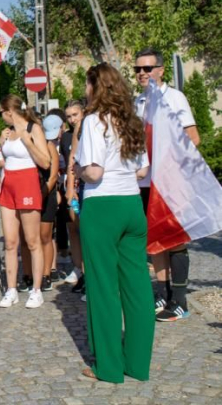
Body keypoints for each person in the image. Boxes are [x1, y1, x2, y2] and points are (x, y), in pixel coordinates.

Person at [75, 62, 153, 383]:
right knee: (137, 287)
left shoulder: (94, 121)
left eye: (87, 85)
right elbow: (142, 171)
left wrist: (77, 170)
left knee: (103, 287)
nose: (84, 91)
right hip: (132, 204)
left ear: (95, 87)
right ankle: (137, 364)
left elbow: (93, 172)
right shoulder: (132, 120)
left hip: (102, 206)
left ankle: (108, 367)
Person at [134, 48, 199, 321]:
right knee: (155, 240)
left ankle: (180, 301)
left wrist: (168, 162)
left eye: (147, 69)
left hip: (170, 182)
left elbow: (193, 138)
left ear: (160, 70)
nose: (141, 74)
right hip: (146, 182)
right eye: (137, 70)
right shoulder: (137, 102)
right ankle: (162, 293)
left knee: (175, 240)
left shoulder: (175, 98)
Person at [0, 94, 51, 309]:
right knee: (10, 242)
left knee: (32, 240)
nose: (1, 117)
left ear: (9, 112)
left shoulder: (33, 129)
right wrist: (2, 143)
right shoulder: (7, 132)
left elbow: (45, 162)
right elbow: (3, 159)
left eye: (1, 113)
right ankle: (11, 288)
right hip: (8, 184)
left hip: (27, 183)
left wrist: (27, 142)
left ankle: (36, 290)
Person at [20, 114, 61, 292]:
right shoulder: (23, 147)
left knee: (45, 236)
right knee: (27, 237)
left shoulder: (50, 146)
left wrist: (42, 194)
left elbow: (52, 176)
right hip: (27, 194)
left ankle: (46, 274)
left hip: (45, 194)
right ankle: (28, 274)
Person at [62, 100, 86, 294]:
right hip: (73, 188)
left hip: (86, 186)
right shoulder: (67, 137)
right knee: (75, 230)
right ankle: (80, 271)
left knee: (87, 232)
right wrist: (70, 188)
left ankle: (88, 273)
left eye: (75, 115)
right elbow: (69, 162)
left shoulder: (88, 130)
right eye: (69, 116)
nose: (72, 119)